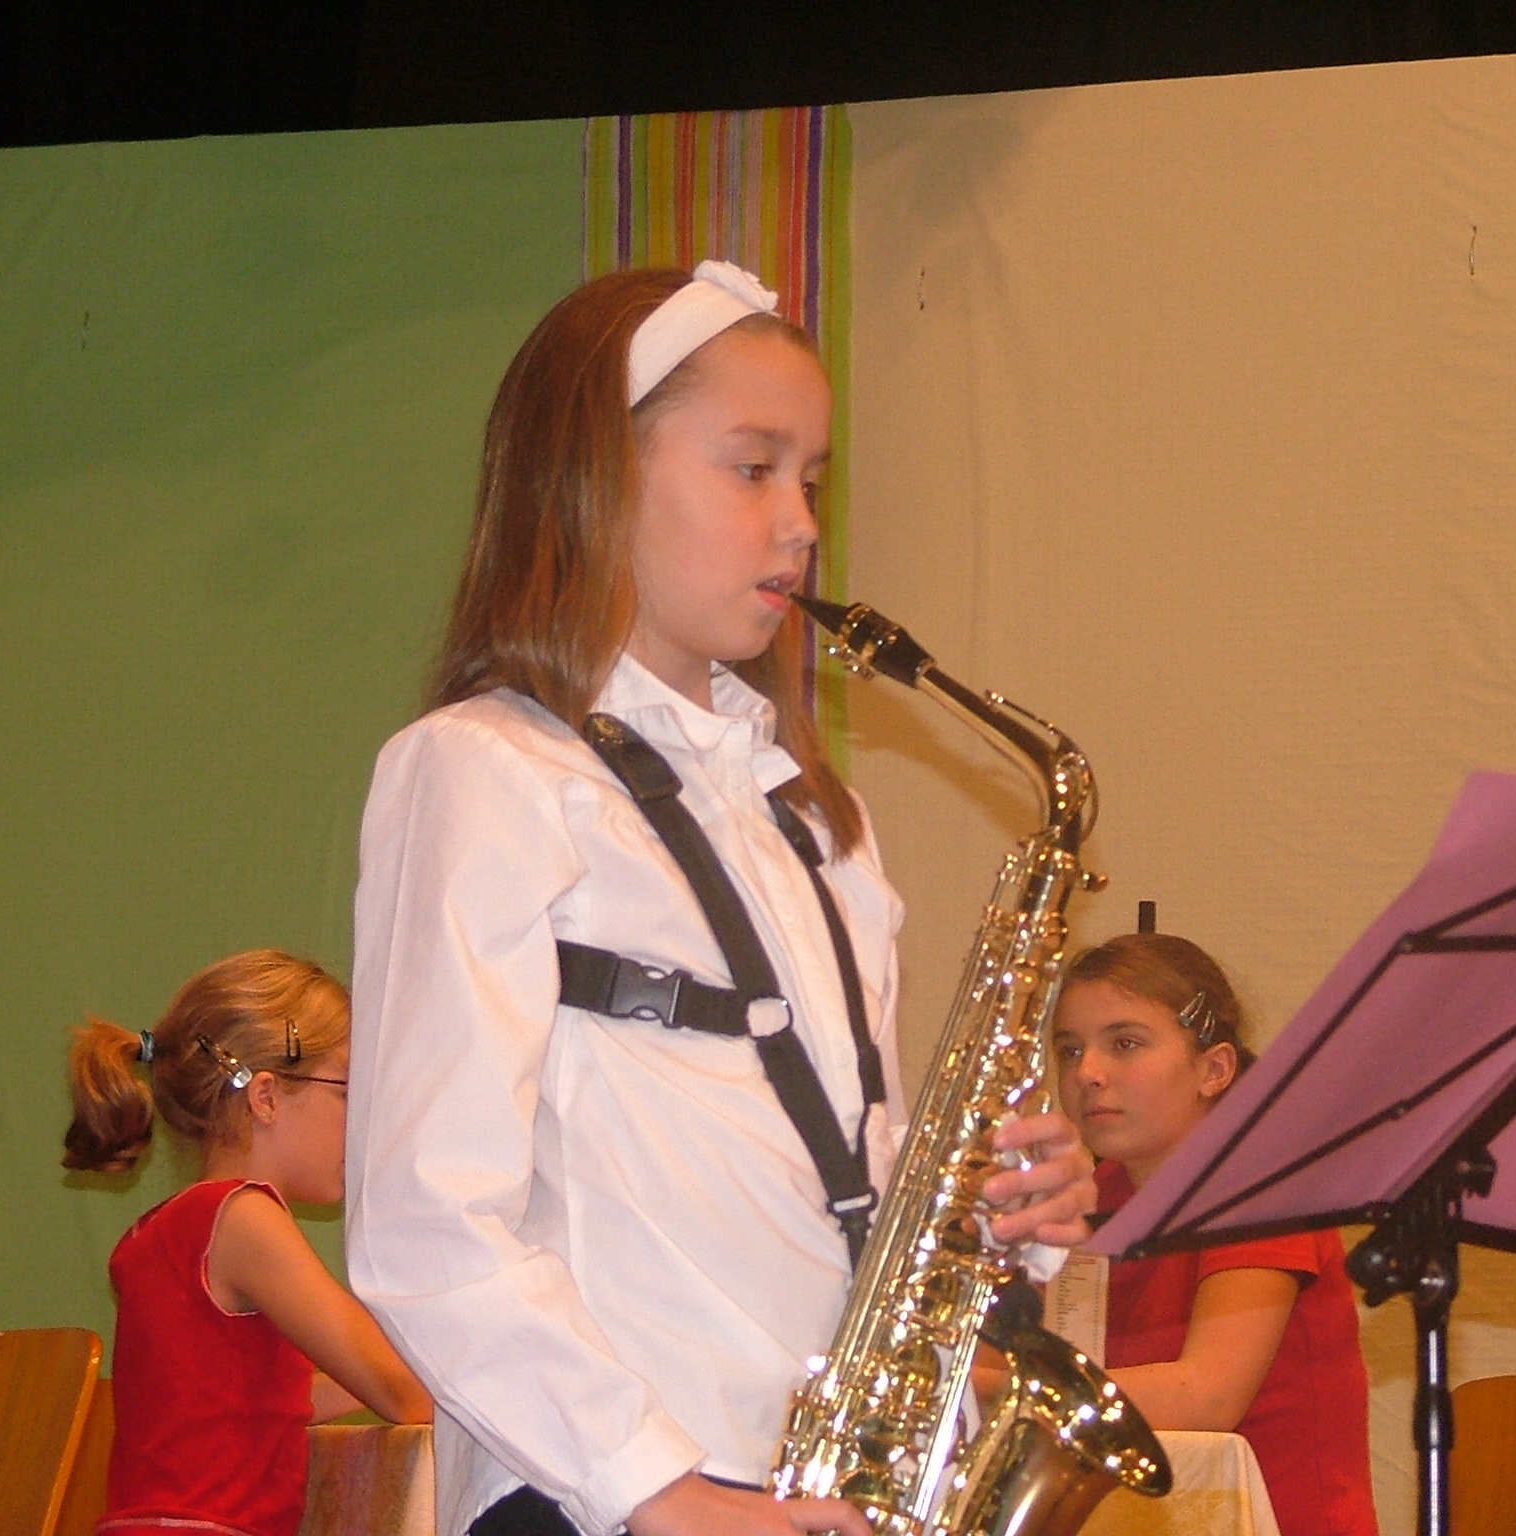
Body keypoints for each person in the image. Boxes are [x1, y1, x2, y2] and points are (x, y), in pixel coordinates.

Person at [345, 260, 1096, 1536]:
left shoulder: (813, 819)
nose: (799, 523)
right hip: (613, 1495)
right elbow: (426, 1219)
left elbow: (844, 1163)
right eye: (752, 468)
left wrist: (991, 1216)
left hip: (820, 1488)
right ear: (592, 480)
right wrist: (656, 1487)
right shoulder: (485, 770)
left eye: (811, 480)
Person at [62, 949, 432, 1536]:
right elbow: (406, 1396)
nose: (362, 1122)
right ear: (265, 1097)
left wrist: (393, 1374)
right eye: (346, 1090)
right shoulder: (245, 1219)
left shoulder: (162, 1230)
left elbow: (254, 1407)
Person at [1052, 932, 1379, 1536]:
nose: (1087, 1073)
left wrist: (1005, 1393)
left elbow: (1208, 1396)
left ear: (1213, 1069)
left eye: (1125, 1043)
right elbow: (1041, 1354)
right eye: (1069, 1050)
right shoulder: (1097, 1197)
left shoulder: (1261, 1184)